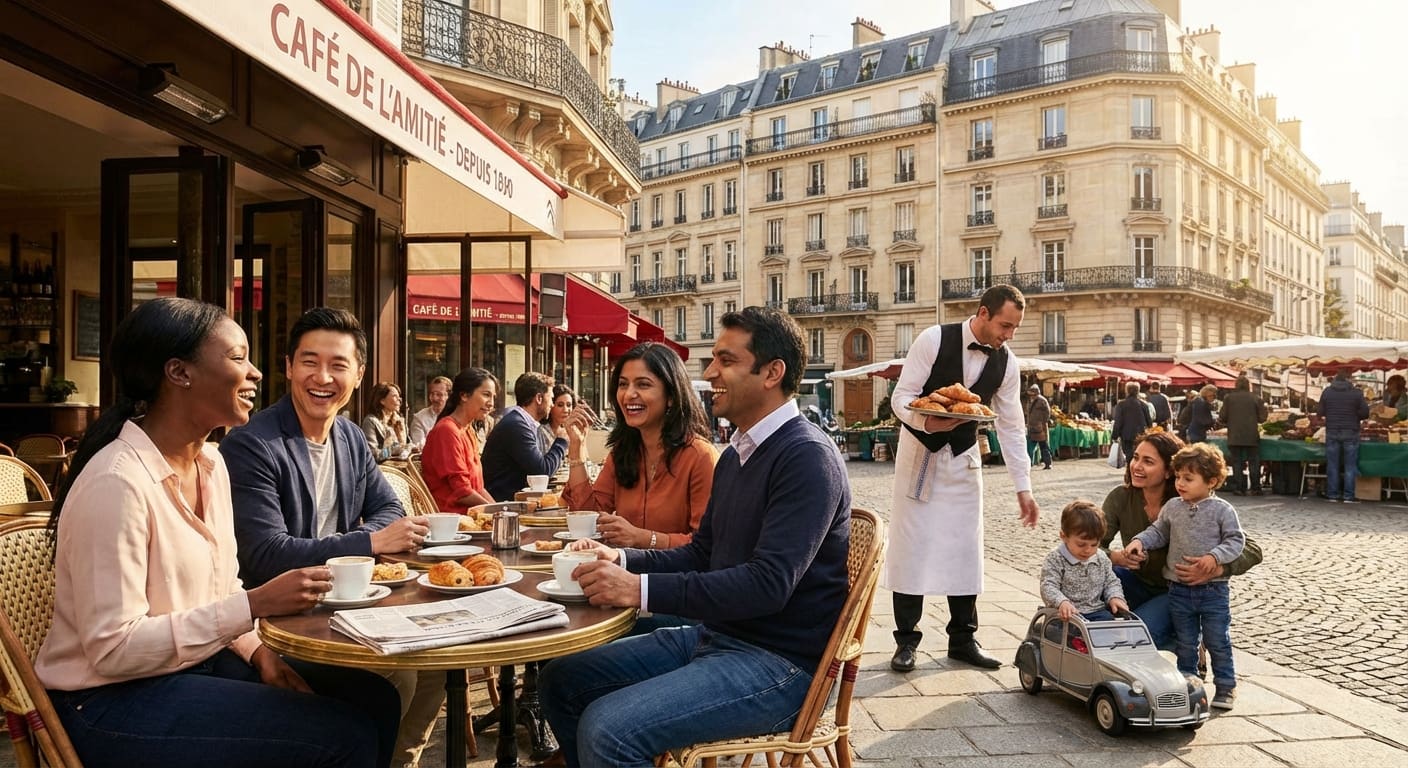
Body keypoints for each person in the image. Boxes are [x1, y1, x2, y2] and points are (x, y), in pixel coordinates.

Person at [37, 297, 399, 767]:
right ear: (179, 372)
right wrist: (255, 604)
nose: (256, 374)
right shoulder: (117, 482)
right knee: (339, 735)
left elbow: (220, 587)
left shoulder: (211, 463)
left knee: (374, 698)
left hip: (194, 666)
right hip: (108, 702)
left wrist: (258, 654)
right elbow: (113, 651)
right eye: (237, 357)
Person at [539, 306, 851, 767]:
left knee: (609, 730)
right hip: (717, 637)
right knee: (560, 681)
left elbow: (767, 584)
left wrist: (638, 590)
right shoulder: (738, 455)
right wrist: (620, 560)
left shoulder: (805, 457)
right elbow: (704, 552)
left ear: (772, 372)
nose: (709, 373)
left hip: (781, 665)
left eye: (726, 360)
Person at [219, 307, 441, 768]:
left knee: (436, 659)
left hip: (346, 603)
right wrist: (367, 545)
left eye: (338, 365)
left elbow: (389, 508)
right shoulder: (253, 443)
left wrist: (358, 537)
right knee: (397, 676)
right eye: (309, 361)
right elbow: (265, 554)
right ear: (287, 367)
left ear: (359, 375)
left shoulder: (350, 437)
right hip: (277, 621)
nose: (322, 377)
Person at [886, 284, 1040, 673]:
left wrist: (1024, 488)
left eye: (1015, 328)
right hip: (919, 454)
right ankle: (906, 641)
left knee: (965, 548)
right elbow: (901, 396)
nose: (1009, 335)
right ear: (983, 313)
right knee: (911, 547)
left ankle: (963, 639)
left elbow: (1011, 426)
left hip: (964, 458)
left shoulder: (1008, 364)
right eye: (1006, 325)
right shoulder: (934, 339)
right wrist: (926, 419)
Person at [1101, 430, 1262, 650]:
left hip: (1178, 591)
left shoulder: (1192, 499)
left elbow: (1252, 548)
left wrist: (1217, 568)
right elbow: (1088, 545)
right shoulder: (1121, 497)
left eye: (1148, 461)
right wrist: (1116, 557)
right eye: (1136, 457)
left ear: (1169, 471)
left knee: (1137, 637)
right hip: (1136, 583)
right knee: (1089, 580)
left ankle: (1187, 643)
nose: (1136, 466)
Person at [1123, 443, 1245, 710]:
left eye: (1188, 479)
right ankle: (1188, 684)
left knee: (1217, 639)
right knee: (1186, 640)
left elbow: (1237, 541)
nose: (1180, 483)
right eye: (1178, 476)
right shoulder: (1173, 507)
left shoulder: (1222, 510)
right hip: (1178, 589)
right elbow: (1158, 532)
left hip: (1213, 591)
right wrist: (1139, 542)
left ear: (1211, 481)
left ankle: (1226, 686)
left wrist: (1214, 558)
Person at [561, 342, 718, 550]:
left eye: (643, 385)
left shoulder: (700, 457)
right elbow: (590, 519)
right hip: (622, 573)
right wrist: (576, 449)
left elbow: (707, 546)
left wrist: (643, 538)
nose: (628, 395)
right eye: (623, 384)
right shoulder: (622, 452)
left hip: (675, 579)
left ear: (671, 396)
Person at [481, 372, 570, 501]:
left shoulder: (523, 423)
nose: (552, 404)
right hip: (502, 505)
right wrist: (561, 441)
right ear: (539, 398)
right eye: (551, 398)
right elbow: (542, 471)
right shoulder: (517, 425)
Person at [421, 367, 499, 511]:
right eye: (486, 395)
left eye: (493, 397)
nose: (491, 403)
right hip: (455, 522)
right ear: (464, 395)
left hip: (473, 517)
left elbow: (478, 488)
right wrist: (495, 512)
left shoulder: (467, 430)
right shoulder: (447, 430)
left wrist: (501, 511)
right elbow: (462, 492)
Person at [1040, 500, 1128, 622]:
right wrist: (1062, 602)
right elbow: (1048, 585)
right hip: (1065, 614)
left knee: (1112, 626)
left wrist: (1115, 597)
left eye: (1094, 545)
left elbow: (1111, 582)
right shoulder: (1056, 558)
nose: (1088, 550)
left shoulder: (1101, 558)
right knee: (1057, 631)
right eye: (1081, 544)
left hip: (1095, 611)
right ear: (1064, 536)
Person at [1318, 367, 1370, 503]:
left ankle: (1332, 495)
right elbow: (1365, 413)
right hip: (1351, 432)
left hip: (1332, 431)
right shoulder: (1356, 393)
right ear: (1348, 379)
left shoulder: (1327, 392)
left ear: (1335, 378)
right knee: (1350, 465)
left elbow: (1320, 412)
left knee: (1332, 465)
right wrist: (1353, 415)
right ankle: (1348, 496)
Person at [1220, 376, 1268, 496]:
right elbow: (1263, 418)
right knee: (1254, 462)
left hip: (1234, 436)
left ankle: (1239, 488)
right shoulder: (1256, 398)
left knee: (1237, 462)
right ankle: (1256, 488)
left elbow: (1222, 417)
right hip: (1251, 436)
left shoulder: (1228, 398)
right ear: (1248, 385)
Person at [361, 381, 408, 460]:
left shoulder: (399, 421)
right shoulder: (370, 421)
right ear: (382, 400)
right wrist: (393, 450)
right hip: (382, 470)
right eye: (395, 396)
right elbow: (371, 454)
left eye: (399, 396)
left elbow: (407, 444)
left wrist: (412, 448)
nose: (399, 400)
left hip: (402, 469)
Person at [1111, 382, 1150, 466]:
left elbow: (1118, 422)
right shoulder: (1143, 405)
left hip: (1126, 435)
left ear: (1127, 391)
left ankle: (1130, 473)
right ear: (1138, 391)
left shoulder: (1121, 405)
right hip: (1141, 435)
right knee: (1139, 456)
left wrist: (1114, 436)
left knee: (1129, 457)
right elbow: (1149, 422)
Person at [408, 375, 452, 449]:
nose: (434, 398)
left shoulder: (456, 416)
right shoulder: (420, 418)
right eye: (432, 394)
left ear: (448, 396)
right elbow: (419, 446)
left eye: (439, 394)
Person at [539, 383, 577, 455]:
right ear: (551, 405)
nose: (566, 410)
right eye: (560, 405)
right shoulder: (540, 431)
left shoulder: (570, 431)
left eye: (569, 405)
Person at [1025, 384, 1052, 470]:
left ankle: (1048, 463)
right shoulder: (1031, 401)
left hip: (1040, 427)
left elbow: (1048, 412)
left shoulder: (1042, 400)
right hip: (1032, 427)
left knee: (1044, 446)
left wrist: (1042, 422)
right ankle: (1029, 464)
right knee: (1030, 447)